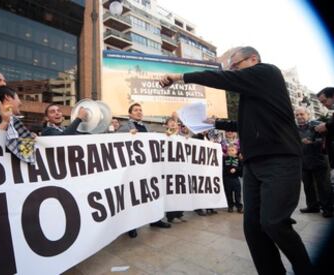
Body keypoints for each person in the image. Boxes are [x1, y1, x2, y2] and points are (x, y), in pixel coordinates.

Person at [160, 46, 313, 274]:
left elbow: (224, 78)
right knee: (253, 228)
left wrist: (180, 77)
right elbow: (244, 125)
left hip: (280, 160)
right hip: (253, 164)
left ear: (253, 59)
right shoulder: (253, 96)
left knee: (274, 222)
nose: (233, 70)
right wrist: (215, 123)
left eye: (236, 65)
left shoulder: (267, 72)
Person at [118, 103, 171, 238]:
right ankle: (131, 225)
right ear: (130, 114)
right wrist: (128, 135)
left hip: (149, 167)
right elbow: (116, 139)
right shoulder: (125, 126)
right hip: (134, 168)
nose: (139, 112)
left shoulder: (146, 126)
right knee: (134, 196)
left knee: (151, 192)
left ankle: (155, 220)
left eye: (140, 110)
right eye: (136, 110)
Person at [0, 85, 35, 163]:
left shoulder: (16, 124)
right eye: (18, 98)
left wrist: (29, 138)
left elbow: (26, 155)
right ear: (7, 97)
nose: (20, 102)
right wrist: (4, 122)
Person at [295, 107, 333, 218]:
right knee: (308, 186)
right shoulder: (294, 129)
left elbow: (327, 138)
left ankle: (328, 209)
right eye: (297, 115)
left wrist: (313, 141)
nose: (299, 117)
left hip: (319, 160)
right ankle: (312, 206)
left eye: (301, 114)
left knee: (324, 186)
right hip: (304, 162)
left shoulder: (317, 124)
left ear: (308, 114)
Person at [164, 117, 186, 223]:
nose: (173, 124)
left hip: (180, 169)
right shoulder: (164, 136)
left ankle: (179, 214)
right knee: (171, 193)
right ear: (166, 125)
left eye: (175, 122)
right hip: (169, 169)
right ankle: (170, 216)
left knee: (180, 192)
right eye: (170, 122)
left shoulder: (181, 137)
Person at [223, 144, 243, 213]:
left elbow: (241, 168)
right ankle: (230, 206)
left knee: (238, 194)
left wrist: (236, 169)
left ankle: (239, 207)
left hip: (236, 179)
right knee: (228, 194)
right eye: (229, 150)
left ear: (236, 151)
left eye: (232, 150)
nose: (230, 152)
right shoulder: (224, 159)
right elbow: (222, 168)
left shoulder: (238, 159)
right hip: (227, 179)